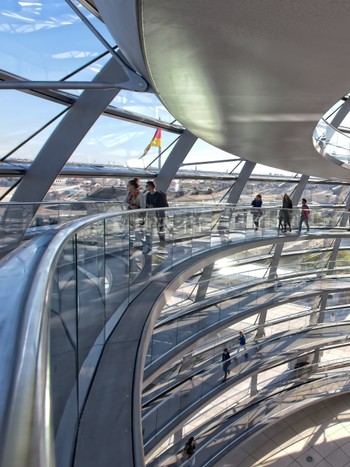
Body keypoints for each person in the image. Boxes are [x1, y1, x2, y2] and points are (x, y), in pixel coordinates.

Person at [145, 181, 168, 248]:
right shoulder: (148, 194)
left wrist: (154, 206)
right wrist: (149, 206)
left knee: (160, 228)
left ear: (151, 186)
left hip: (159, 214)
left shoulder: (159, 194)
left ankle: (162, 243)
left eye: (147, 186)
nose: (146, 187)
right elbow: (147, 203)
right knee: (150, 228)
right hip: (151, 214)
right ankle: (150, 243)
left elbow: (164, 205)